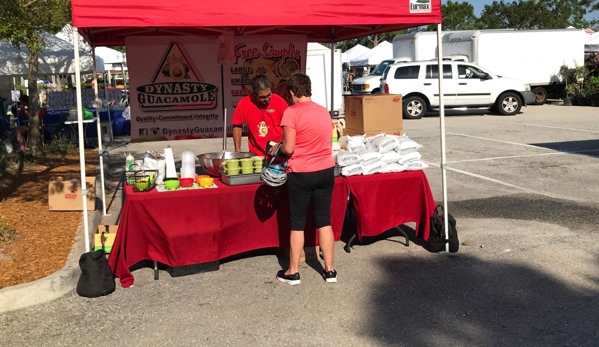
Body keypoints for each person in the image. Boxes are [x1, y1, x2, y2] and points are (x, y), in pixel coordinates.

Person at [270, 72, 337, 285]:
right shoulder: (323, 111)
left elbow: (289, 148)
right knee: (324, 220)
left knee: (297, 222)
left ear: (291, 92)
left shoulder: (291, 113)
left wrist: (277, 146)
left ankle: (293, 271)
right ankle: (329, 270)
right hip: (326, 170)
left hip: (301, 172)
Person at [232, 75, 288, 156]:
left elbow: (289, 127)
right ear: (254, 93)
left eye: (269, 95)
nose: (267, 99)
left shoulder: (280, 103)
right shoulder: (244, 104)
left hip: (278, 154)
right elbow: (237, 125)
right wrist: (237, 151)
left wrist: (281, 145)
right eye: (262, 97)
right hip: (256, 156)